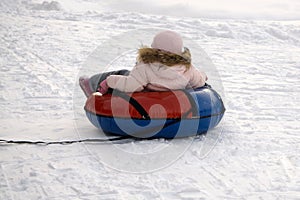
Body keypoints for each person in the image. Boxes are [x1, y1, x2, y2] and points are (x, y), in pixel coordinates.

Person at [79, 30, 207, 97]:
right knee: (127, 75)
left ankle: (91, 84)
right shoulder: (187, 69)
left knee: (122, 74)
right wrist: (203, 76)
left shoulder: (146, 66)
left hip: (145, 97)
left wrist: (109, 81)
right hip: (170, 101)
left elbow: (132, 85)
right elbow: (199, 81)